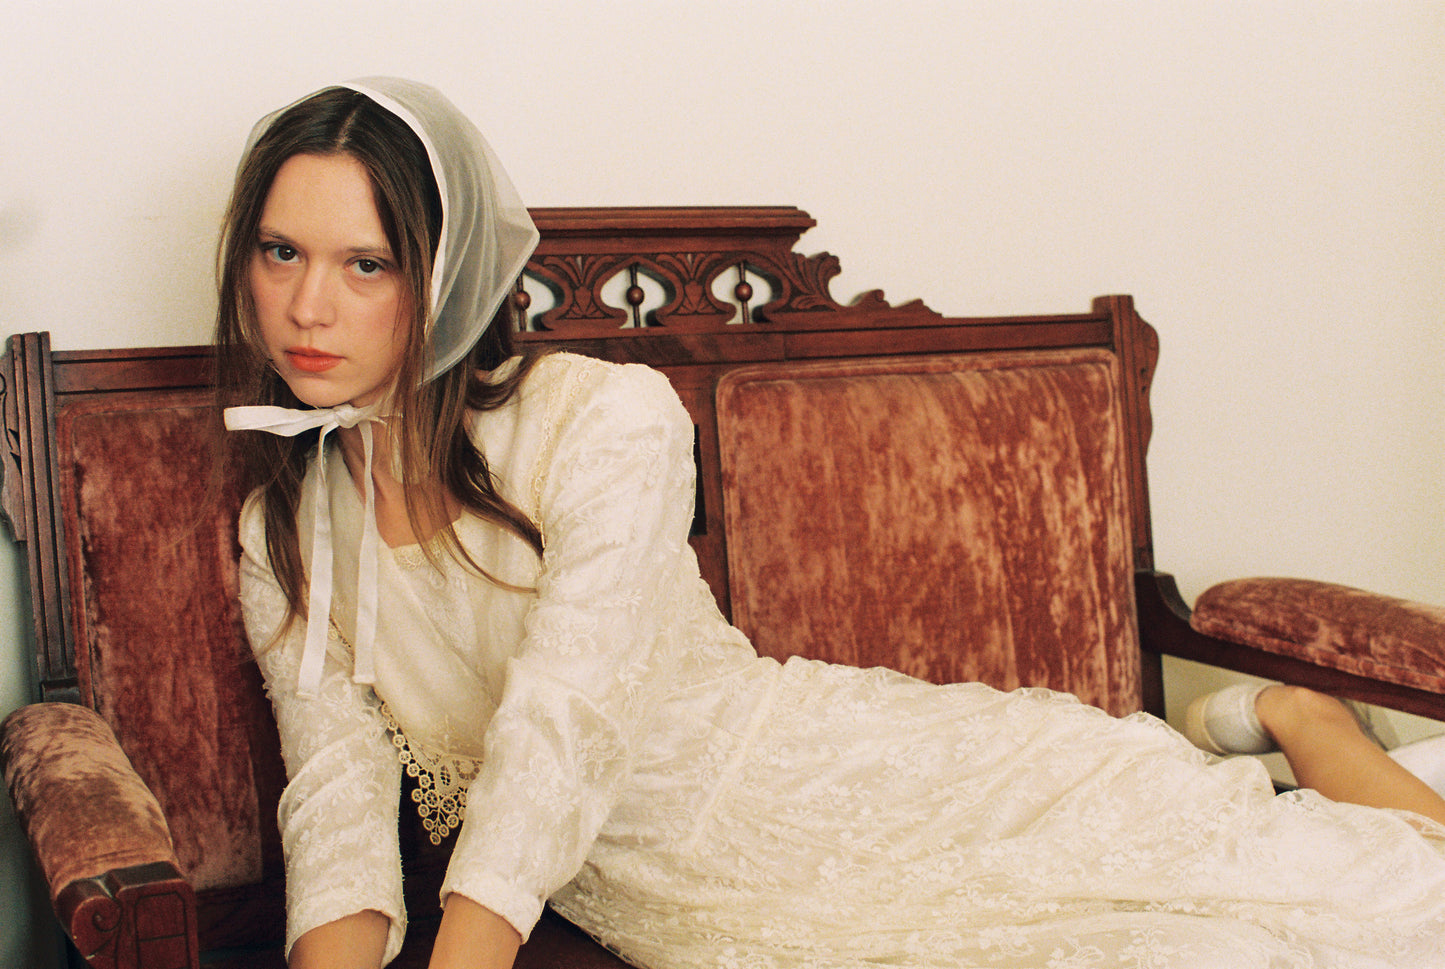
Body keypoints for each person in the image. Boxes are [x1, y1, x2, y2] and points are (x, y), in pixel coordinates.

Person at [215, 78, 1445, 969]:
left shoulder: (603, 418)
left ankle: (1301, 716)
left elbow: (562, 720)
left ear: (441, 275)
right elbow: (334, 795)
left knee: (1339, 901)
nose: (309, 306)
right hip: (666, 903)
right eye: (280, 252)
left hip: (831, 786)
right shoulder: (286, 526)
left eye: (365, 263)